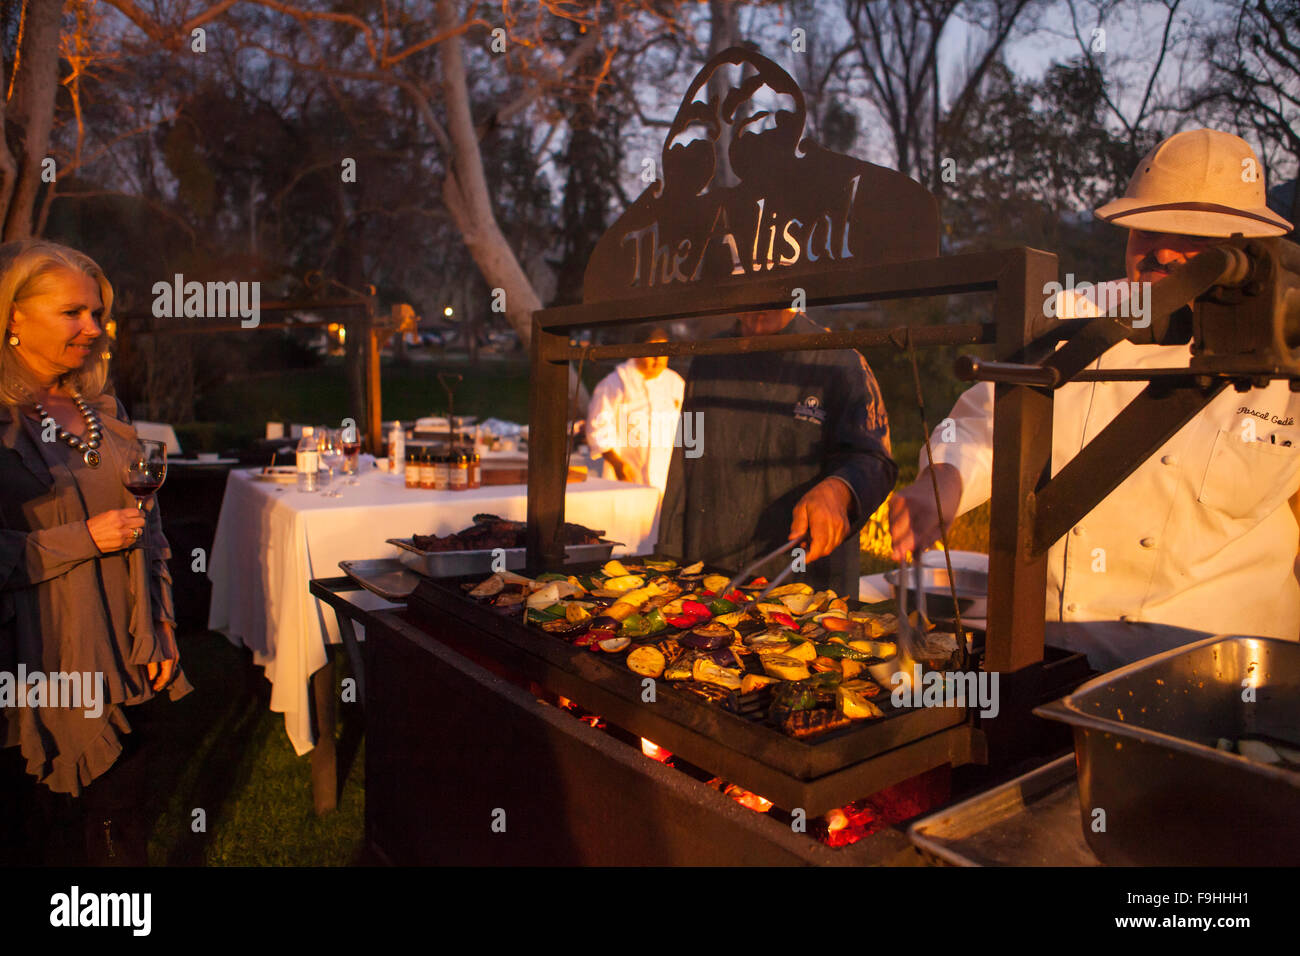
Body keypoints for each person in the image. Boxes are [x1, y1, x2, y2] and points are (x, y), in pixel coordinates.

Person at [889, 128, 1299, 671]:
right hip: (1058, 659)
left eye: (1194, 238)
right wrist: (941, 481)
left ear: (1246, 254)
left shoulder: (1285, 349)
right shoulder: (1076, 314)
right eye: (1145, 229)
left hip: (1217, 678)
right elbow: (988, 419)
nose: (1165, 250)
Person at [0, 238, 190, 865]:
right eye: (73, 313)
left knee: (119, 819)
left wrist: (160, 621)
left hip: (119, 647)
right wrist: (82, 539)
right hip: (35, 657)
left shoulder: (102, 410)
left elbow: (150, 527)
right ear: (13, 317)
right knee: (44, 828)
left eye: (98, 313)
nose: (93, 328)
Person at [659, 308, 897, 597]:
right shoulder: (710, 357)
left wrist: (840, 489)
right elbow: (686, 454)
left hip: (799, 581)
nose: (758, 315)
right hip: (711, 567)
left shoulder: (838, 359)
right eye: (748, 300)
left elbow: (874, 458)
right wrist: (668, 555)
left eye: (771, 300)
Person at [585, 327, 685, 491]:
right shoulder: (614, 383)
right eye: (652, 351)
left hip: (667, 479)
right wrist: (617, 464)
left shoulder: (676, 383)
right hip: (627, 477)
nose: (658, 358)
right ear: (637, 351)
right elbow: (597, 428)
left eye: (664, 351)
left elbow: (691, 431)